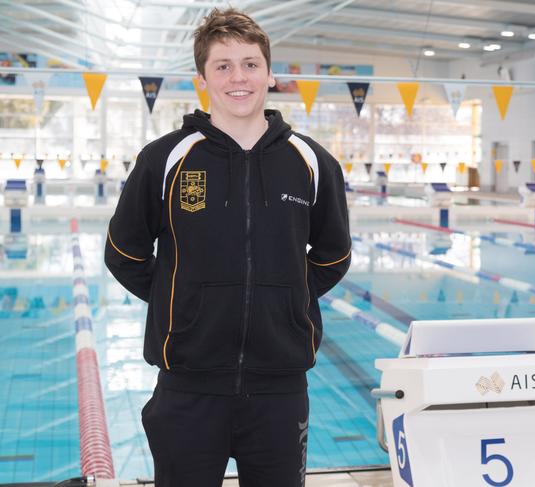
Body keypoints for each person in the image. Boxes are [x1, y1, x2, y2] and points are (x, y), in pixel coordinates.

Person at [104, 8, 351, 487]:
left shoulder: (312, 161)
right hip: (187, 388)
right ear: (203, 79)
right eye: (223, 66)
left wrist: (285, 301)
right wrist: (186, 302)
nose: (238, 77)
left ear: (269, 74)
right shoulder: (165, 158)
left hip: (280, 388)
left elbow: (333, 256)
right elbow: (124, 253)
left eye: (250, 63)